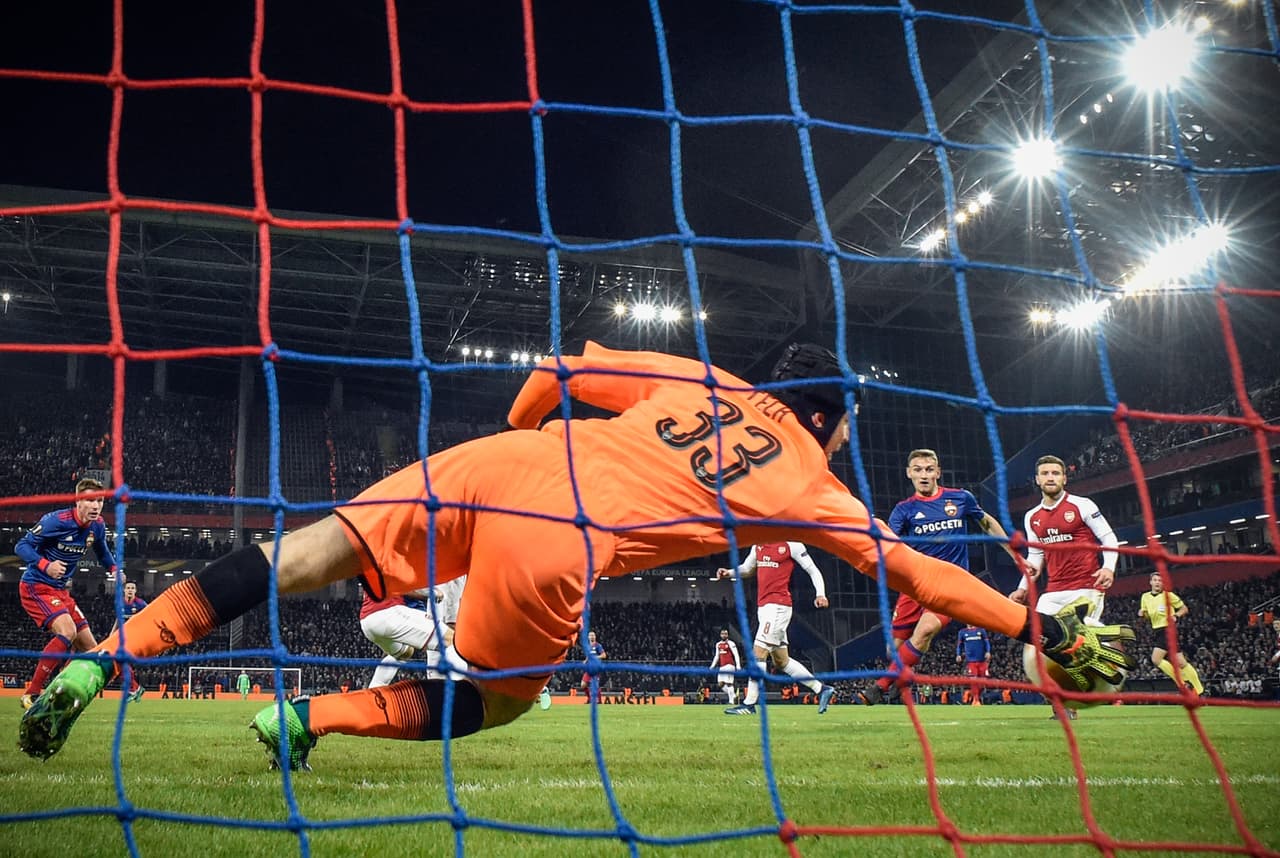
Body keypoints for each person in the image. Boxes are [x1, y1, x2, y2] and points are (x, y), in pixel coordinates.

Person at [20, 342, 1135, 768]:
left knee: (283, 557)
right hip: (556, 538)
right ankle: (305, 720)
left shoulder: (702, 379)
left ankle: (100, 660)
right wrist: (1033, 628)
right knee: (496, 706)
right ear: (834, 421)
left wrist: (508, 453)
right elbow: (924, 576)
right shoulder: (812, 480)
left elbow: (554, 374)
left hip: (487, 468)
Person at [858, 448, 1022, 706]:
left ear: (938, 472)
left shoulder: (960, 498)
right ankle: (902, 677)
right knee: (894, 650)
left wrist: (1013, 554)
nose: (924, 475)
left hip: (949, 584)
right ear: (909, 474)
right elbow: (891, 546)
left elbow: (986, 522)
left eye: (929, 469)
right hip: (914, 584)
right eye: (918, 470)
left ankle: (879, 686)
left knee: (926, 630)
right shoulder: (904, 510)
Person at [1009, 455, 1120, 719]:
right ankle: (1061, 704)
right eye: (1045, 473)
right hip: (1053, 590)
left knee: (1071, 645)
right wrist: (1022, 587)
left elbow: (1108, 537)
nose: (1050, 478)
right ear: (1037, 480)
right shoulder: (1032, 517)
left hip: (1086, 587)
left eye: (1055, 473)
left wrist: (1109, 567)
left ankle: (1077, 701)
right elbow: (1036, 557)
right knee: (1037, 644)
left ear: (1064, 478)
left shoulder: (1082, 505)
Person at [16, 478, 118, 711]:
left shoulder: (98, 526)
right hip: (36, 586)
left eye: (100, 501)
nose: (96, 506)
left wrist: (114, 569)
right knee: (68, 631)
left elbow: (102, 552)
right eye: (91, 500)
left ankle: (60, 689)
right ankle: (31, 693)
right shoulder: (56, 521)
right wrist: (45, 565)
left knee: (94, 652)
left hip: (61, 591)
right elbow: (21, 546)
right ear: (78, 500)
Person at [717, 542, 836, 715]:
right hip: (764, 608)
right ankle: (822, 689)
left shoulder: (791, 545)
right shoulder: (757, 546)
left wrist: (820, 594)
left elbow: (812, 569)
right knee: (782, 661)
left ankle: (749, 704)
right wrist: (729, 573)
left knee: (758, 653)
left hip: (778, 607)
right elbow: (748, 569)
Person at [359, 579, 456, 688]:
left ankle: (374, 692)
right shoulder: (395, 565)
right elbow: (403, 587)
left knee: (405, 653)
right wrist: (431, 592)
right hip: (389, 613)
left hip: (367, 621)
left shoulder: (376, 567)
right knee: (452, 640)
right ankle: (460, 693)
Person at [1138, 571, 1204, 695]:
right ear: (1151, 582)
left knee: (1156, 659)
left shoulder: (1169, 595)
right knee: (1180, 661)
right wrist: (1143, 614)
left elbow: (1184, 608)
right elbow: (1147, 616)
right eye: (1155, 580)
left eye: (1160, 580)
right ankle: (1199, 690)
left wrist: (1176, 616)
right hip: (1157, 630)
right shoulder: (1145, 597)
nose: (1157, 582)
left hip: (1168, 629)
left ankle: (1182, 684)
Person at [109, 580, 149, 702]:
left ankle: (133, 689)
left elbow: (149, 617)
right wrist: (111, 635)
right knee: (120, 663)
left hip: (135, 638)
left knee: (122, 661)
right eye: (128, 588)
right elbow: (118, 620)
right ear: (124, 590)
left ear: (135, 591)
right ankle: (135, 688)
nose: (130, 590)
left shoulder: (141, 604)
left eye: (133, 588)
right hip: (121, 638)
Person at [955, 624, 991, 705]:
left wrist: (988, 652)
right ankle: (976, 699)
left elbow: (987, 642)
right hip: (971, 661)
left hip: (982, 660)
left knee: (983, 682)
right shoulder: (962, 632)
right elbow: (959, 645)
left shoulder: (981, 630)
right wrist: (958, 654)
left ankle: (976, 696)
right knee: (973, 681)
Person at [708, 628, 742, 705]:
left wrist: (738, 665)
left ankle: (731, 701)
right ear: (720, 635)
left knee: (729, 683)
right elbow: (717, 656)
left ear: (728, 635)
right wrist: (712, 666)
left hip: (730, 665)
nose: (724, 635)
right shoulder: (718, 644)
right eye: (723, 633)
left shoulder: (731, 643)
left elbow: (736, 654)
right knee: (720, 684)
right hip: (722, 666)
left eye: (725, 634)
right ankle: (733, 696)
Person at [578, 631, 607, 697]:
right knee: (583, 685)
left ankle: (599, 701)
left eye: (593, 635)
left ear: (595, 637)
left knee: (595, 685)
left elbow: (604, 655)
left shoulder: (598, 645)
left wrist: (595, 657)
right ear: (588, 637)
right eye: (590, 635)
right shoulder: (588, 647)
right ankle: (589, 698)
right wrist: (585, 661)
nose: (592, 636)